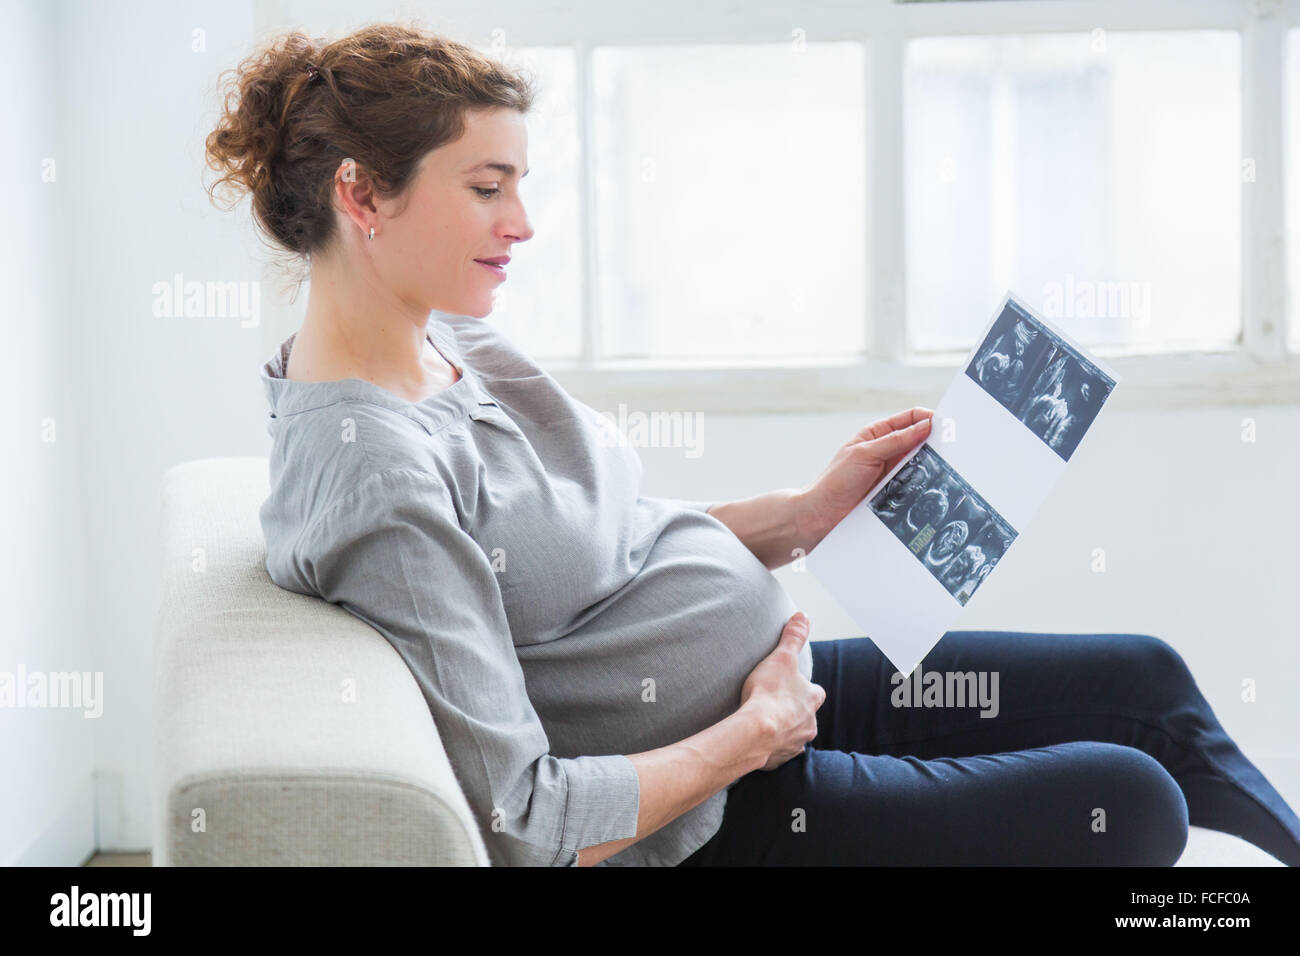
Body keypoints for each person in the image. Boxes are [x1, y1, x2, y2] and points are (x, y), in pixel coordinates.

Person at [206, 23, 1300, 867]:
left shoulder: (447, 338)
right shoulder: (373, 471)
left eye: (522, 185)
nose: (523, 222)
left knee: (1143, 678)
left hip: (764, 695)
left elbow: (588, 560)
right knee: (1132, 797)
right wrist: (754, 733)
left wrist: (803, 512)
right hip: (722, 804)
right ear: (363, 196)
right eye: (488, 188)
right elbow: (527, 818)